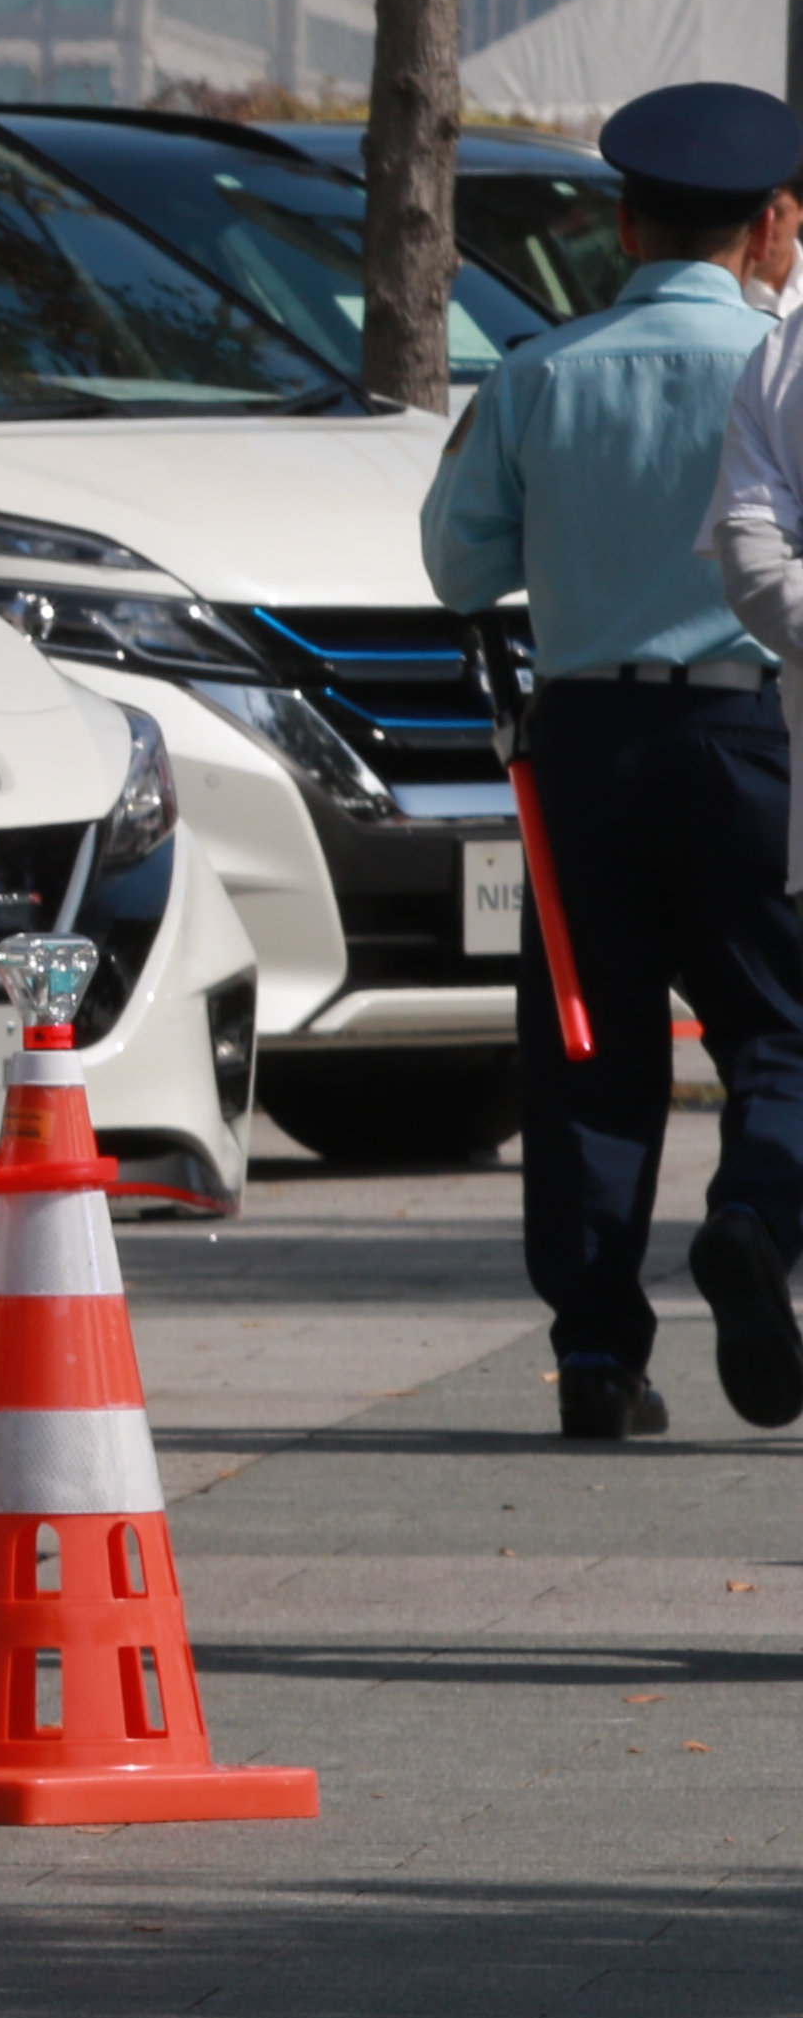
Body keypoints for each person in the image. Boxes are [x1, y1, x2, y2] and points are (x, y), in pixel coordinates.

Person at [425, 77, 803, 1439]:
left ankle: (597, 1355)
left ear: (626, 227)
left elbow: (459, 563)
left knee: (590, 1037)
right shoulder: (789, 369)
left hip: (584, 742)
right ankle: (757, 1215)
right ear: (774, 226)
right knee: (786, 1021)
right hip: (762, 733)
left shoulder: (536, 375)